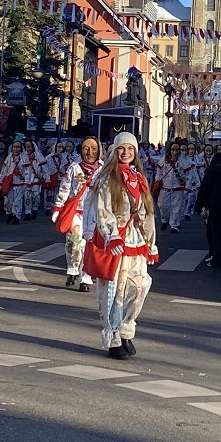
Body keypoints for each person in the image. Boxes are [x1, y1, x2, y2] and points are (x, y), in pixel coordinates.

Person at [84, 132, 158, 360]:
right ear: (114, 151)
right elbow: (102, 209)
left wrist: (151, 243)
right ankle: (113, 337)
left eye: (130, 149)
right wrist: (111, 235)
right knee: (114, 291)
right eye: (121, 149)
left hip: (136, 242)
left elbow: (147, 213)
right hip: (117, 242)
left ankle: (126, 329)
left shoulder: (140, 178)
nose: (126, 153)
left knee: (138, 288)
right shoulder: (107, 178)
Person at [52, 136, 102, 292]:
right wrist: (58, 207)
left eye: (93, 148)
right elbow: (65, 188)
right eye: (86, 148)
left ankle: (85, 278)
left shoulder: (104, 168)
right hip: (76, 213)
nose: (90, 152)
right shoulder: (75, 167)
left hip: (94, 214)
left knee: (89, 246)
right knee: (74, 243)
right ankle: (73, 269)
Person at [195, 150, 221, 269]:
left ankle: (217, 259)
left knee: (217, 234)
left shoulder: (210, 172)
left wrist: (199, 206)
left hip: (215, 207)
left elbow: (204, 190)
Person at [155, 143, 185, 234]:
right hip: (165, 187)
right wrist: (157, 182)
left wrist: (188, 186)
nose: (175, 152)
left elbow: (187, 175)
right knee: (162, 205)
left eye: (177, 150)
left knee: (176, 207)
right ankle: (165, 220)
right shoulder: (163, 161)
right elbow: (159, 173)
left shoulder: (183, 161)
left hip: (178, 188)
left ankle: (174, 225)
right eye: (173, 150)